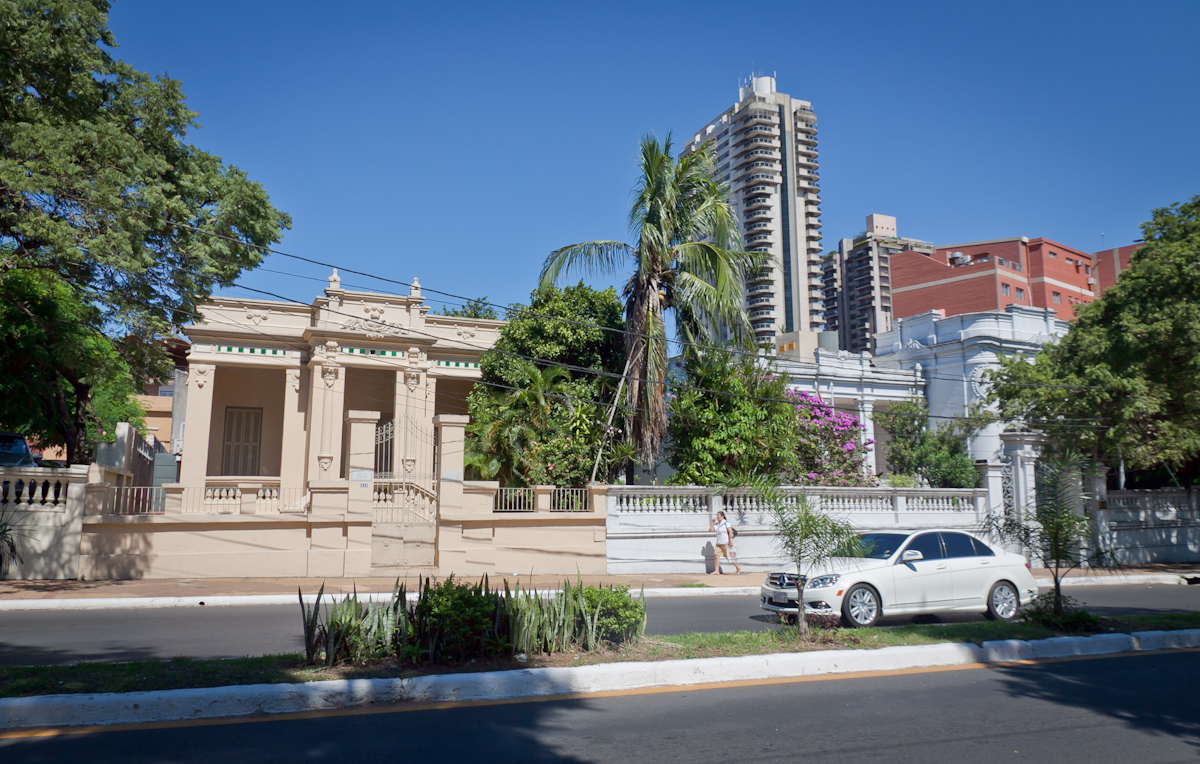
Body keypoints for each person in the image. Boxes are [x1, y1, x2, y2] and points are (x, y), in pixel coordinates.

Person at [709, 510, 741, 575]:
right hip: (719, 543)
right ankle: (716, 571)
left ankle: (738, 567)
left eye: (718, 515)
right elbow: (711, 530)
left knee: (729, 557)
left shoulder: (726, 523)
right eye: (717, 515)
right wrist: (712, 523)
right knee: (716, 556)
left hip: (725, 542)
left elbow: (730, 532)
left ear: (722, 516)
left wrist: (730, 541)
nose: (717, 517)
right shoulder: (717, 524)